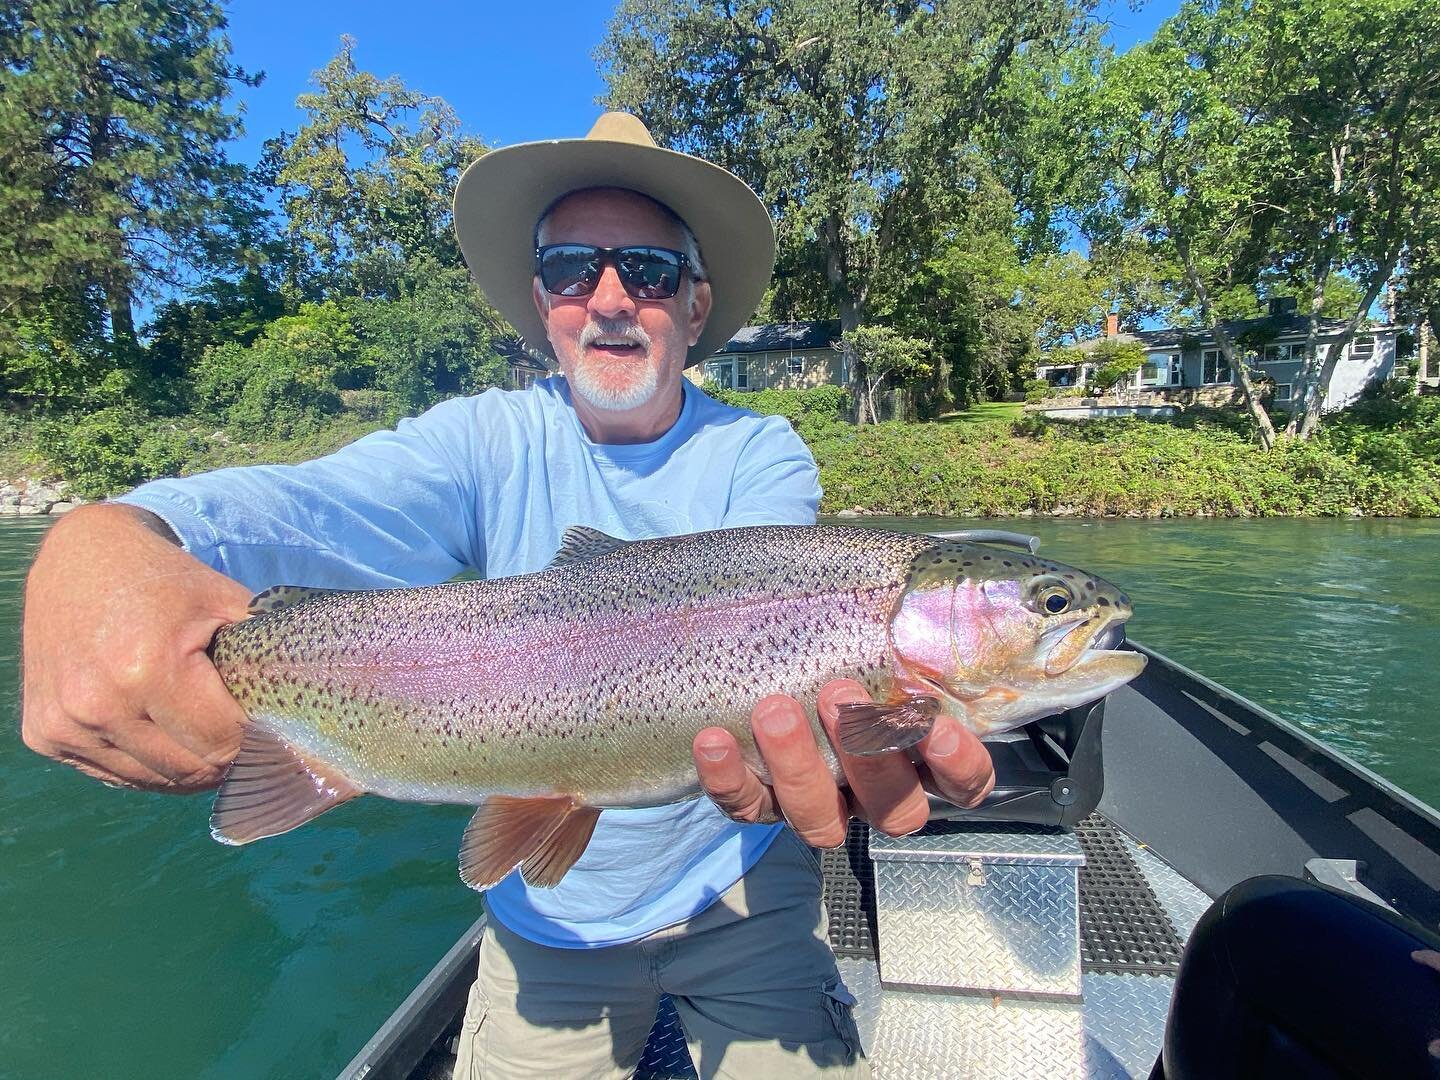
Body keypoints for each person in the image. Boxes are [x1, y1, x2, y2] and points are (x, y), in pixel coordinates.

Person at [20, 113, 995, 1078]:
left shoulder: (760, 451)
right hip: (547, 924)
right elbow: (308, 509)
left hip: (739, 890)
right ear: (542, 302)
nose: (611, 297)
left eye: (649, 271)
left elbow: (787, 635)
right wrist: (111, 536)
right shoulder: (481, 442)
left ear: (695, 308)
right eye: (575, 267)